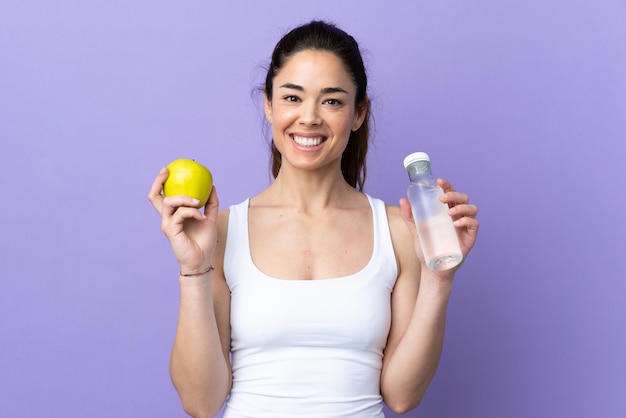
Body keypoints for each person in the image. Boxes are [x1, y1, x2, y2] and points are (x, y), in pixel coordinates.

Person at [148, 20, 479, 418]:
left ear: (358, 113)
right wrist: (194, 271)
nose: (309, 118)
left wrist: (438, 279)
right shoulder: (219, 231)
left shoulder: (397, 230)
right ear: (268, 105)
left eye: (332, 101)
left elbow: (402, 396)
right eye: (292, 97)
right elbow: (200, 403)